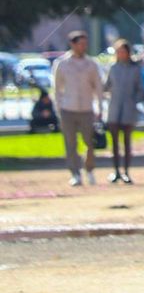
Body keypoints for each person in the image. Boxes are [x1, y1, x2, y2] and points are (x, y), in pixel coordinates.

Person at [52, 30, 104, 187]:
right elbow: (57, 88)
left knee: (89, 142)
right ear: (72, 44)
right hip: (68, 108)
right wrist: (59, 108)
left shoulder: (92, 64)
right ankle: (75, 173)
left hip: (87, 109)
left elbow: (98, 87)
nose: (83, 46)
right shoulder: (62, 64)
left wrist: (100, 107)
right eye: (80, 43)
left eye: (85, 43)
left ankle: (89, 169)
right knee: (70, 143)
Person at [105, 39, 144, 183]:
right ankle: (116, 171)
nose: (121, 54)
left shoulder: (135, 69)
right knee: (114, 143)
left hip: (128, 110)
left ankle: (126, 171)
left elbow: (141, 89)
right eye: (119, 52)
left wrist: (134, 100)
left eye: (123, 51)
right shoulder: (113, 68)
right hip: (114, 109)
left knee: (127, 142)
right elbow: (106, 86)